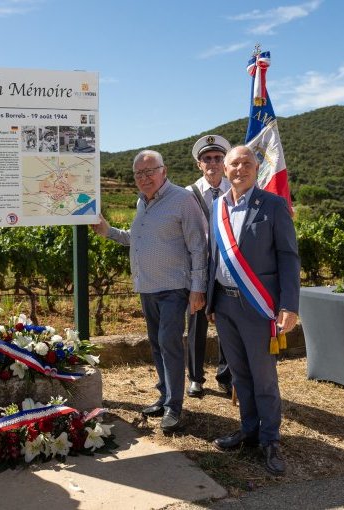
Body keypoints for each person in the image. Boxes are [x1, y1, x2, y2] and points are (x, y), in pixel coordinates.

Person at [92, 150, 207, 432]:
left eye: (149, 171)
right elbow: (137, 238)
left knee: (169, 342)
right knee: (157, 343)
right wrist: (108, 231)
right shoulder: (142, 202)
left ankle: (174, 407)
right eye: (139, 174)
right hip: (148, 286)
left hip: (174, 287)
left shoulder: (183, 199)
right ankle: (164, 394)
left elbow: (198, 246)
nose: (144, 178)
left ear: (163, 171)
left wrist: (197, 288)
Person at [206, 145, 300, 475]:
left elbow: (289, 257)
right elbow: (213, 258)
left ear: (256, 168)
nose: (240, 168)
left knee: (263, 377)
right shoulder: (217, 206)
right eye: (234, 163)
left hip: (259, 307)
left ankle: (270, 439)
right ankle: (248, 430)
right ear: (225, 170)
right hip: (225, 304)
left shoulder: (273, 205)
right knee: (239, 374)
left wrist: (289, 305)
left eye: (247, 163)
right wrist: (211, 302)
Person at [185, 135, 233, 398]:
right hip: (198, 267)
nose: (213, 162)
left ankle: (226, 375)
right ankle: (195, 377)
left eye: (217, 158)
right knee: (196, 323)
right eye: (207, 158)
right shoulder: (187, 194)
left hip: (227, 267)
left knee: (227, 322)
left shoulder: (236, 188)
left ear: (225, 161)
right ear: (199, 164)